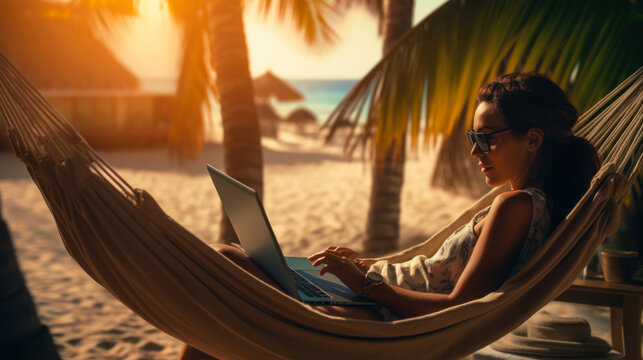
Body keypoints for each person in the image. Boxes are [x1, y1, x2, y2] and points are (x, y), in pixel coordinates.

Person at [182, 71, 600, 360]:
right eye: (473, 138)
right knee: (223, 265)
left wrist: (365, 282)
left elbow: (460, 308)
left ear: (532, 139)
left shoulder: (516, 206)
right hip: (377, 293)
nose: (475, 151)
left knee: (219, 268)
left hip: (384, 314)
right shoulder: (531, 208)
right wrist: (361, 269)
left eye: (486, 138)